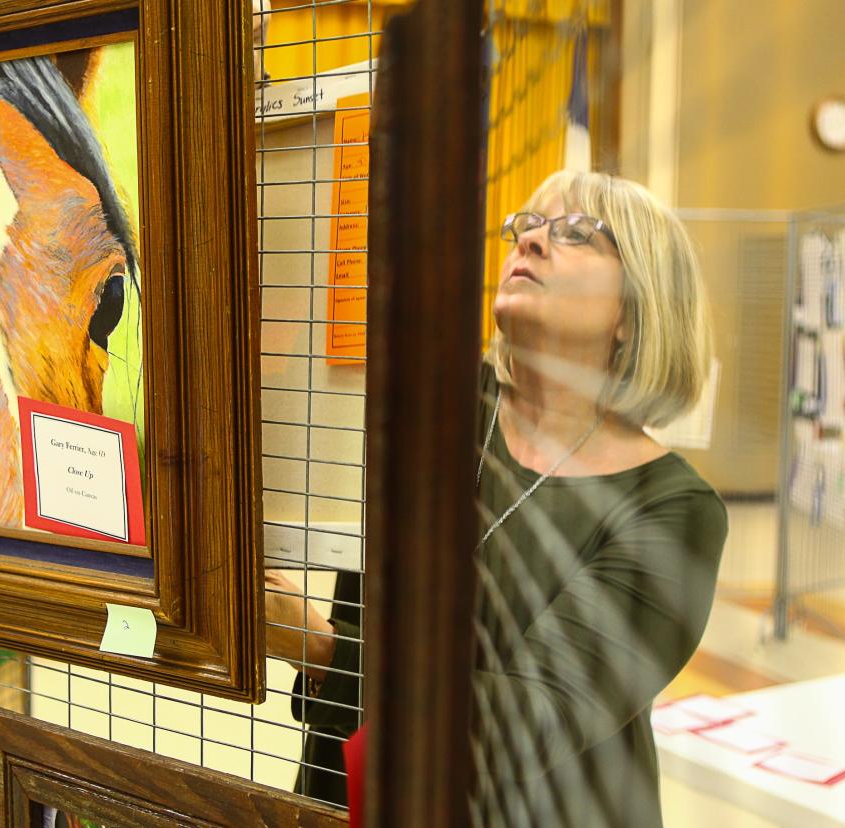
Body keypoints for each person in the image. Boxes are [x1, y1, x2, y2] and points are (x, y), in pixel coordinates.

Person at [265, 170, 727, 826]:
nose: (533, 241)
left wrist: (321, 646)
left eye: (576, 234)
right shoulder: (432, 404)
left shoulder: (676, 510)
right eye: (527, 225)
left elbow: (530, 718)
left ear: (635, 309)